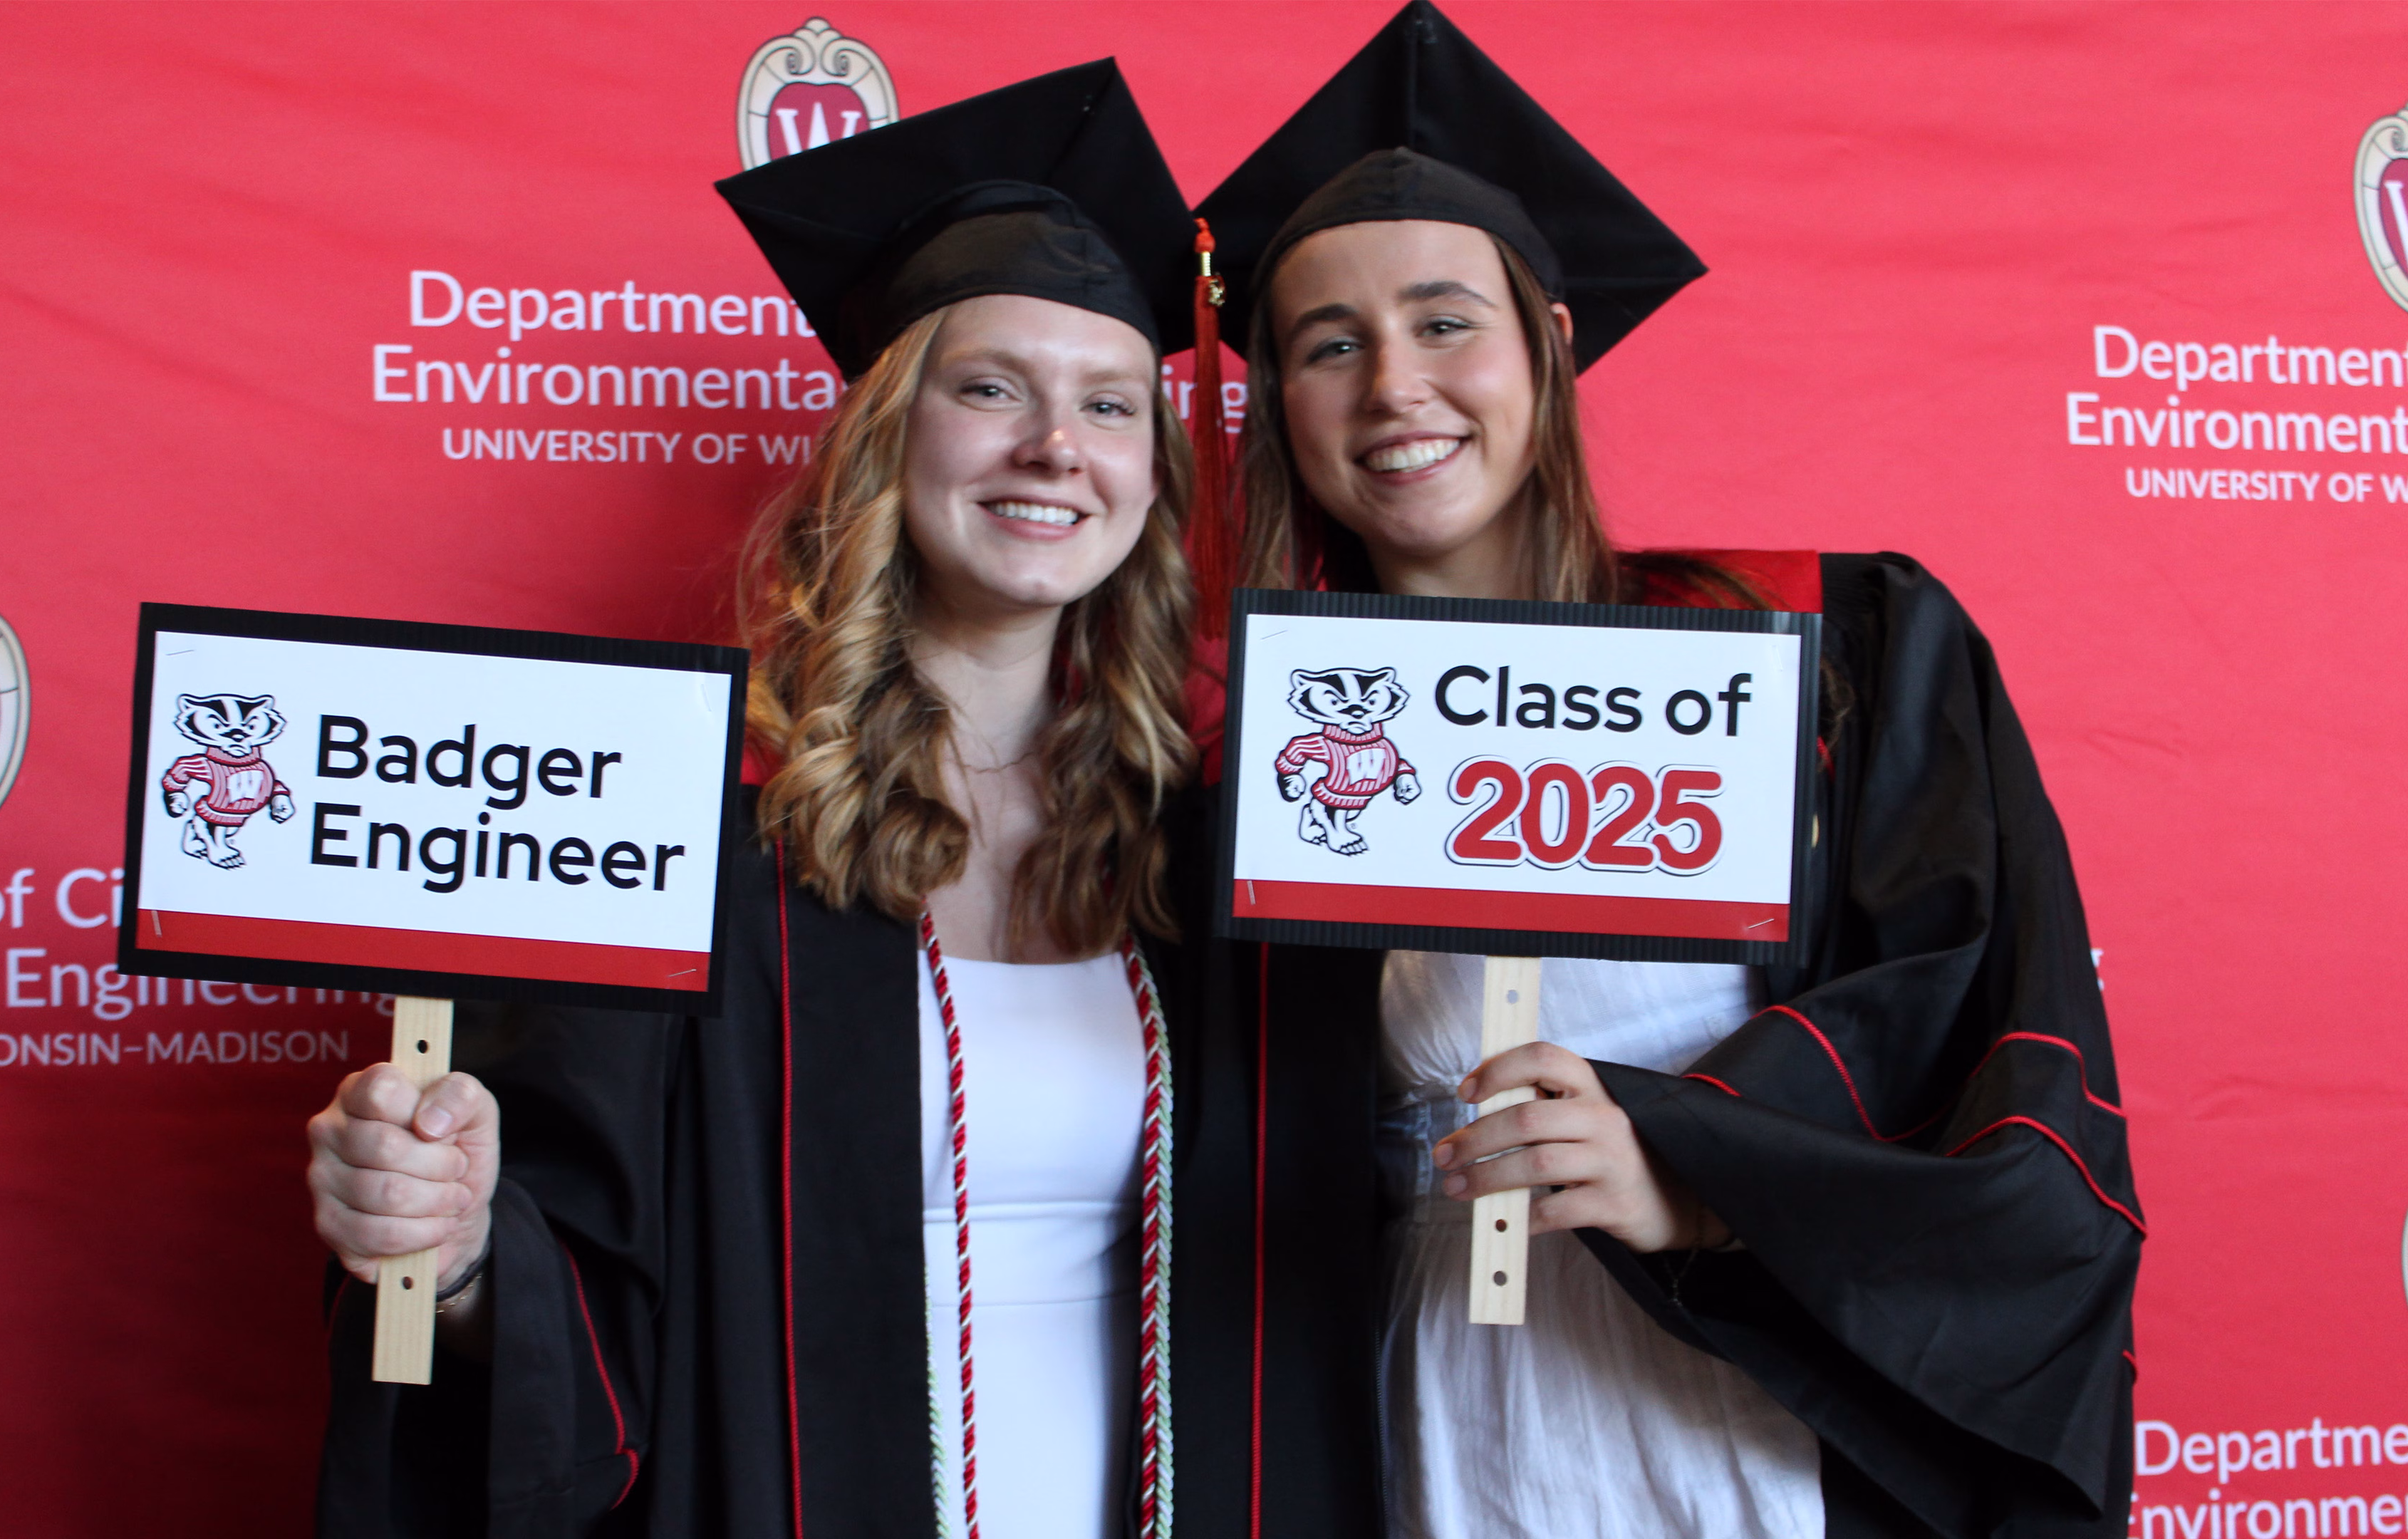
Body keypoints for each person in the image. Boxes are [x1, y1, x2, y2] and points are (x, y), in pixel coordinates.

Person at [305, 62, 1331, 1539]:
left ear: (1152, 477)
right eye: (990, 389)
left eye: (1109, 405)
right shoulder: (687, 842)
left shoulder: (1213, 857)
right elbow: (569, 1298)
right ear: (885, 436)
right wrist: (454, 1253)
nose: (1057, 446)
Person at [1188, 6, 2142, 1536]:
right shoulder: (1272, 769)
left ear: (1548, 348)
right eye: (1327, 343)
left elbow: (1978, 1041)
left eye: (1445, 321)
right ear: (1278, 405)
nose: (1392, 388)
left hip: (1749, 1394)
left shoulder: (1820, 650)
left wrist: (1703, 1179)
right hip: (1440, 1389)